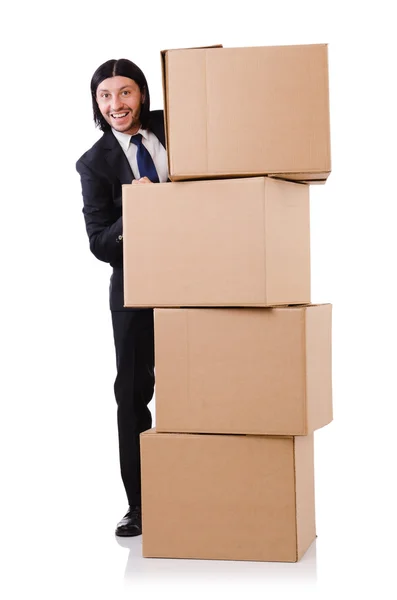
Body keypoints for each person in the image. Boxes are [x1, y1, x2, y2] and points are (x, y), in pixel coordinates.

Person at [76, 58, 168, 537]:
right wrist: (136, 210)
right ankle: (140, 504)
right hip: (135, 287)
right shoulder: (94, 163)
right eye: (106, 95)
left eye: (125, 92)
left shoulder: (173, 130)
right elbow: (98, 243)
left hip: (204, 273)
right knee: (132, 393)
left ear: (143, 95)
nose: (117, 105)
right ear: (97, 102)